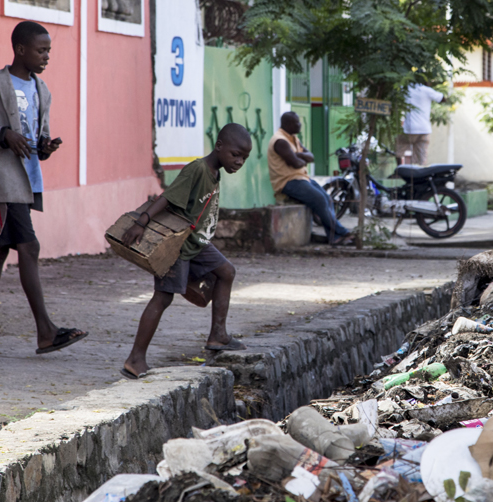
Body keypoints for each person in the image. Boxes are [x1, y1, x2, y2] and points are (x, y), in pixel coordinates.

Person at [0, 21, 86, 354]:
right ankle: (46, 331)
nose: (46, 57)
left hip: (26, 179)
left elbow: (36, 134)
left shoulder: (43, 91)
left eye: (49, 51)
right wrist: (2, 134)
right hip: (1, 182)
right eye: (41, 50)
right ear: (20, 49)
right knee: (29, 247)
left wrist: (45, 147)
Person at [118, 123, 252, 379]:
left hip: (197, 242)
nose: (239, 161)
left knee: (226, 272)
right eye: (236, 155)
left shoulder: (215, 171)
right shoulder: (198, 169)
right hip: (177, 245)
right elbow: (167, 197)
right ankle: (135, 359)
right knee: (163, 298)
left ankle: (218, 335)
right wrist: (141, 222)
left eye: (244, 158)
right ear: (219, 146)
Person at [268, 112, 351, 244]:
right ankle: (342, 232)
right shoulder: (280, 141)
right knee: (319, 200)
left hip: (302, 178)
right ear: (288, 124)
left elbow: (311, 157)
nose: (300, 125)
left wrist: (297, 155)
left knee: (327, 198)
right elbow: (295, 163)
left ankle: (334, 237)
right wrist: (300, 157)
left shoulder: (293, 138)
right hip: (287, 182)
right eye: (297, 123)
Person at [396, 83, 445, 165]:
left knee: (399, 149)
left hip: (408, 129)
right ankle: (420, 173)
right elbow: (442, 98)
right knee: (421, 156)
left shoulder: (405, 88)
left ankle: (398, 170)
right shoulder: (427, 90)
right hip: (424, 129)